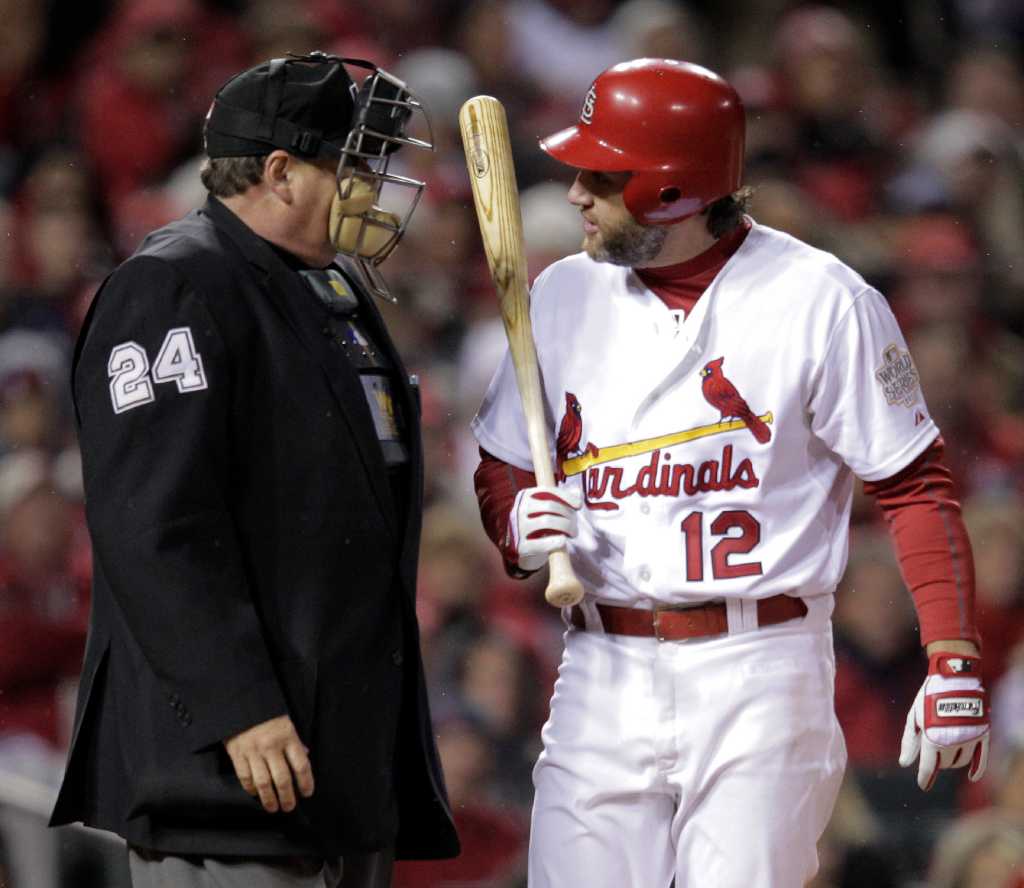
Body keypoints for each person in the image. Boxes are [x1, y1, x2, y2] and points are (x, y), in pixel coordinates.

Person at [471, 58, 990, 888]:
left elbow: (913, 483)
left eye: (602, 177)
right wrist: (513, 522)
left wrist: (951, 656)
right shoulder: (562, 293)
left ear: (672, 191)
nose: (575, 194)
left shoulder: (821, 298)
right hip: (601, 666)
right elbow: (502, 464)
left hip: (761, 666)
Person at [49, 52, 459, 888]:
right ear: (279, 171)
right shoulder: (172, 286)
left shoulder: (329, 285)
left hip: (338, 764)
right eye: (353, 164)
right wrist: (238, 706)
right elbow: (152, 526)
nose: (375, 185)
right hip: (228, 773)